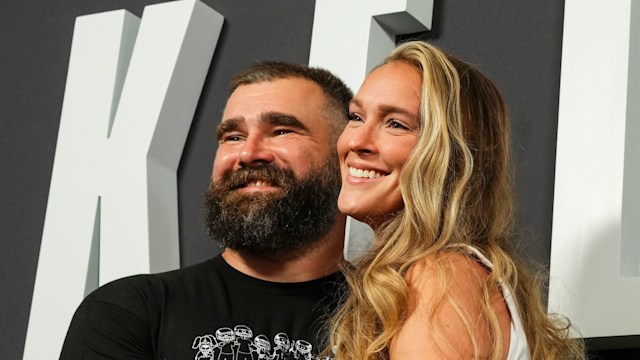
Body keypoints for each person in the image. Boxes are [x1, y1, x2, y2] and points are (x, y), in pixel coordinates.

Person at [59, 61, 352, 360]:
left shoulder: (390, 319)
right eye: (233, 137)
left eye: (281, 131)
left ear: (346, 157)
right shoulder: (131, 313)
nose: (248, 154)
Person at [327, 41, 586, 359]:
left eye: (396, 124)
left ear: (454, 157)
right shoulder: (434, 275)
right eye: (355, 117)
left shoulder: (439, 279)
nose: (356, 141)